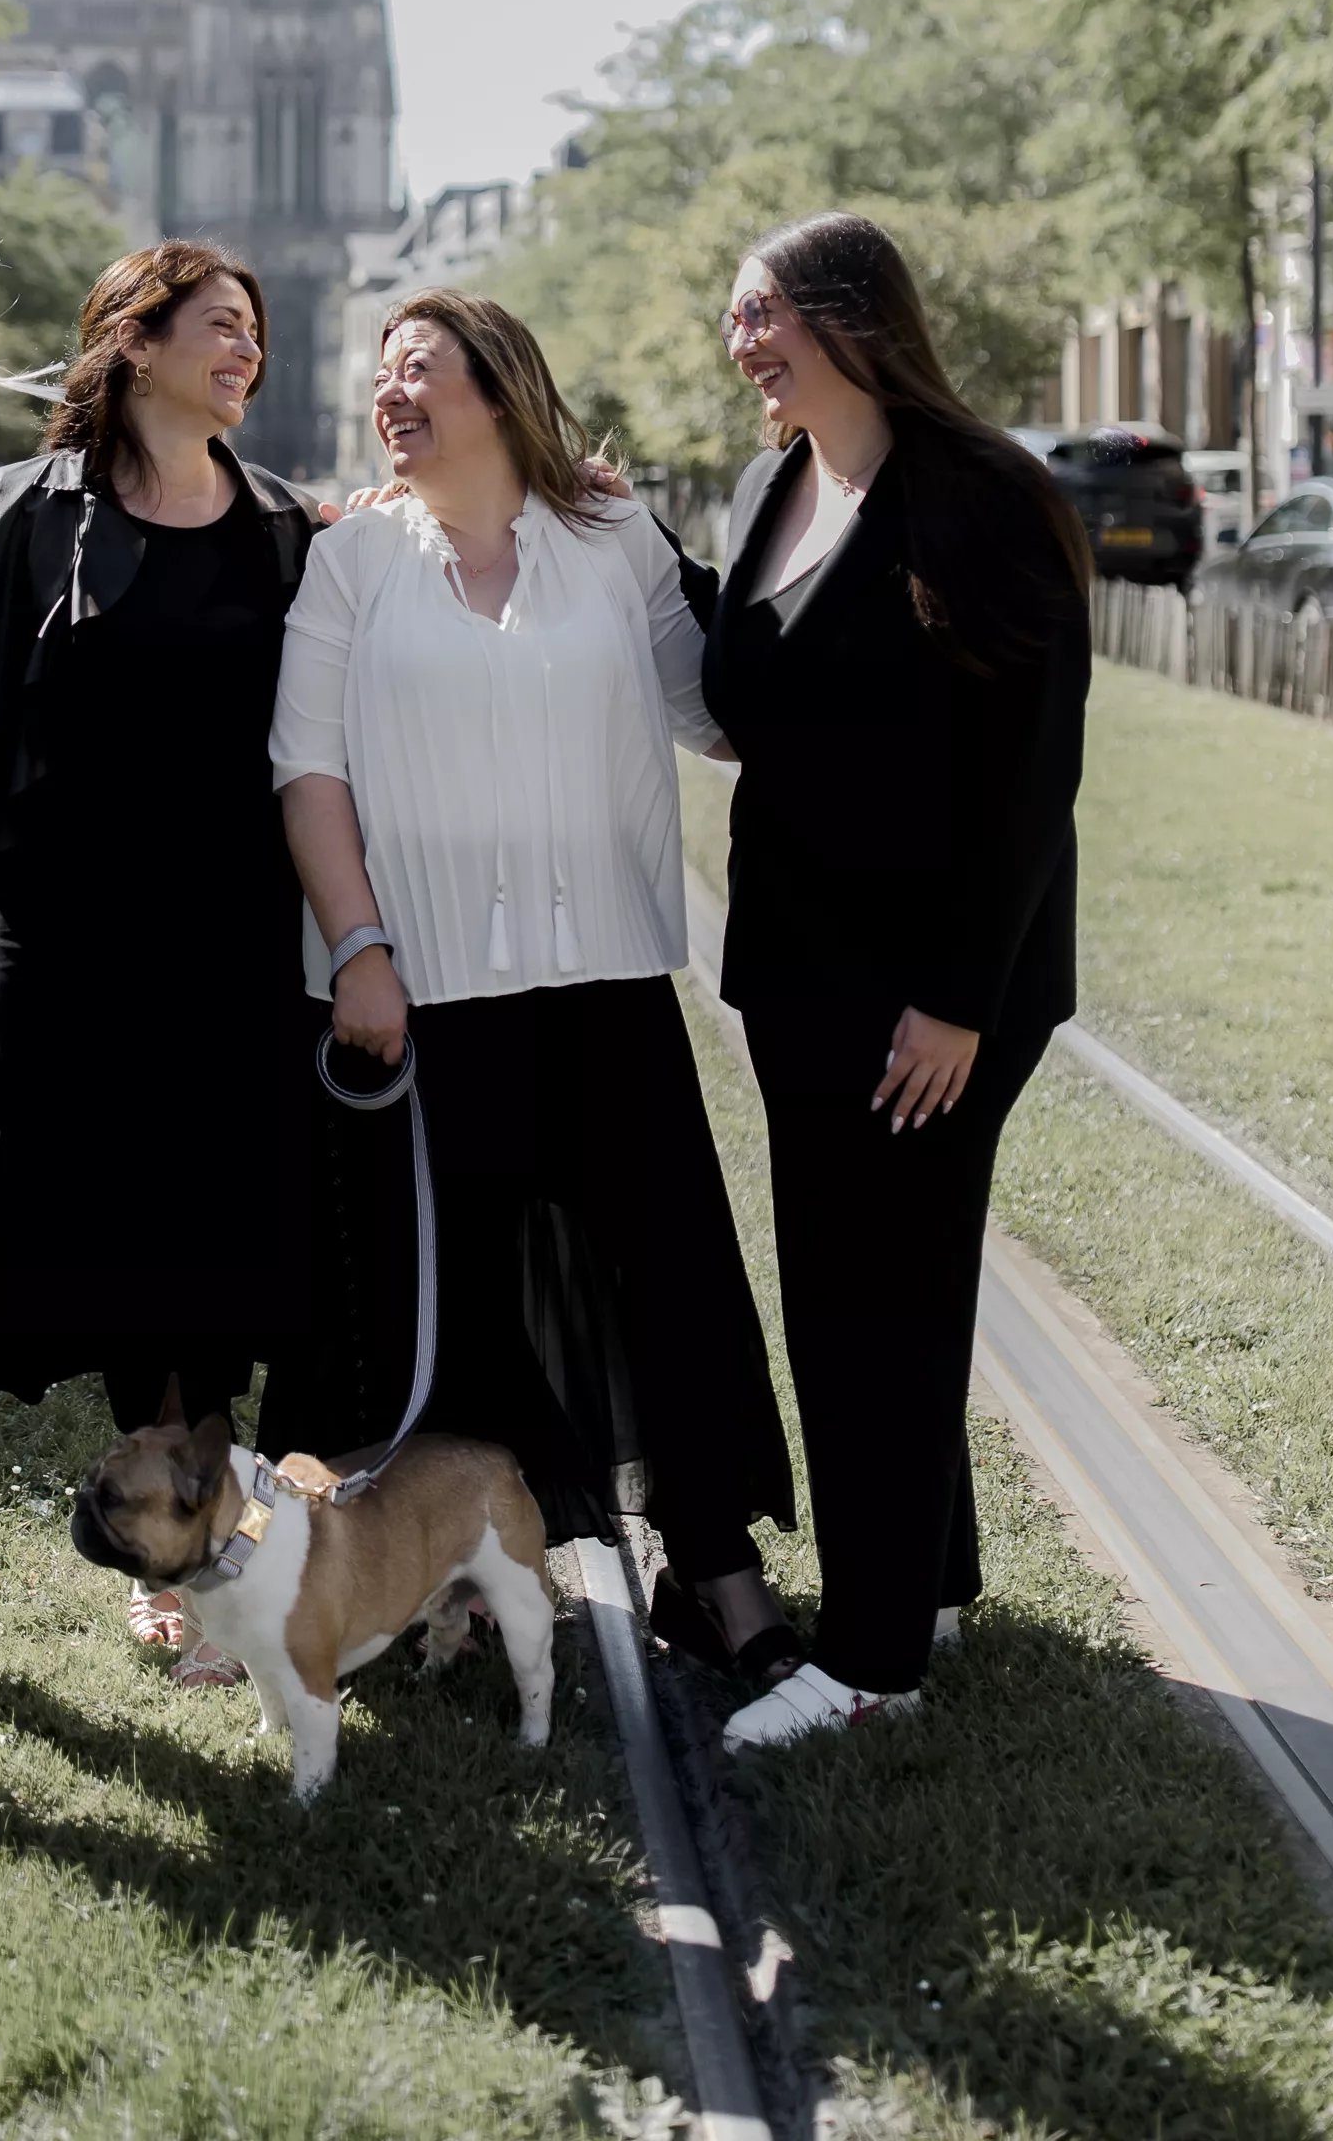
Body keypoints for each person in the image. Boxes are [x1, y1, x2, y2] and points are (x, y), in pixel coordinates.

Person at [267, 290, 798, 1677]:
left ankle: (716, 1567)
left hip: (610, 982)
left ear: (498, 388)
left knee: (672, 1280)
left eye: (422, 369)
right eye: (382, 373)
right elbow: (307, 771)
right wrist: (359, 951)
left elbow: (723, 710)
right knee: (450, 1303)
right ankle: (451, 1577)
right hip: (427, 997)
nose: (394, 393)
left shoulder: (614, 538)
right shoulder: (353, 562)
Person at [703, 212, 1091, 1752]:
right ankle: (926, 1576)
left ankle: (868, 1661)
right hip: (799, 979)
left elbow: (1029, 775)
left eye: (763, 315)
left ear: (853, 318)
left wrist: (956, 999)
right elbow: (761, 683)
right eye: (734, 321)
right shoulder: (772, 483)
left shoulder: (982, 495)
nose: (741, 345)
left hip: (936, 999)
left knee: (884, 1309)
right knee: (856, 1295)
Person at [0, 241, 328, 1684]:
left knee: (227, 1220)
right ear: (136, 344)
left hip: (232, 936)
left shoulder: (286, 525)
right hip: (67, 940)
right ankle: (168, 1519)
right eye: (221, 328)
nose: (245, 352)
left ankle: (203, 1513)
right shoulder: (22, 517)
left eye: (256, 333)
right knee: (112, 1228)